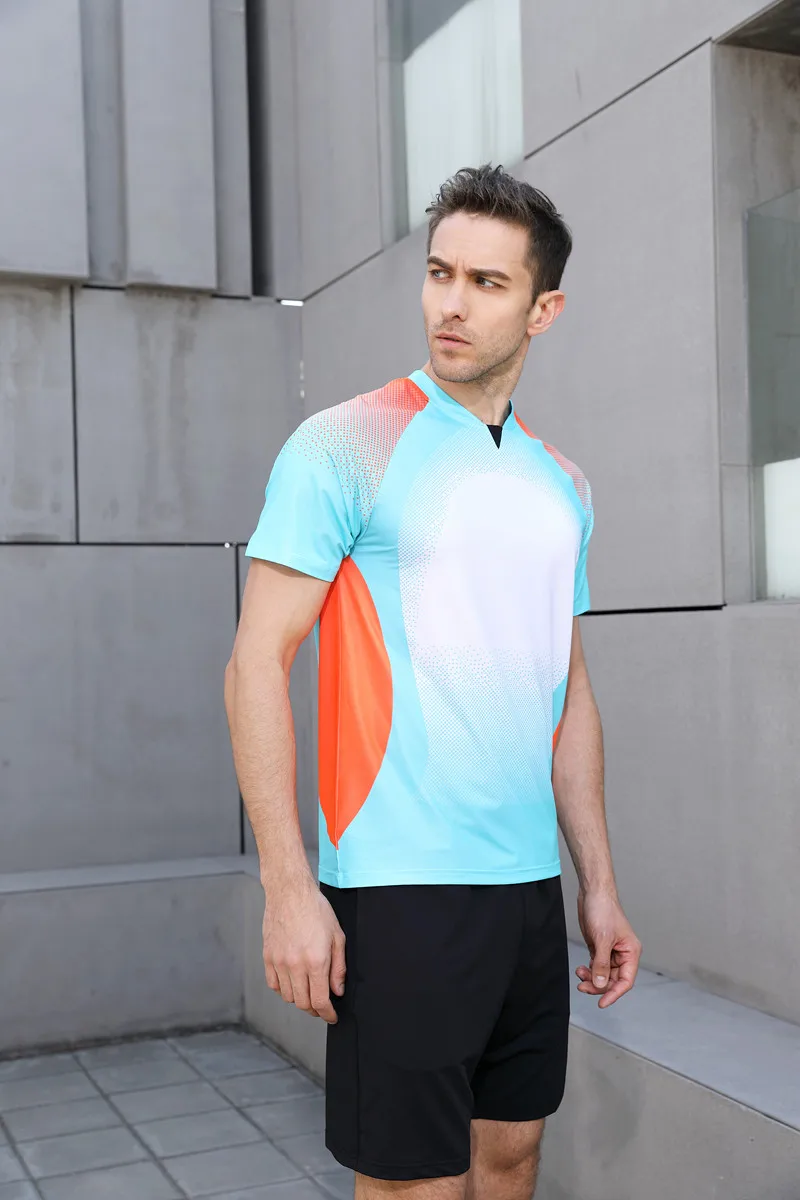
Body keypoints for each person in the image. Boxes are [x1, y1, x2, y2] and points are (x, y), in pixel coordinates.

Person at [225, 163, 642, 1200]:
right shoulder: (343, 446)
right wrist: (288, 888)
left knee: (510, 1156)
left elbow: (569, 696)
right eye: (440, 272)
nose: (451, 303)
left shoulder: (562, 485)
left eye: (487, 283)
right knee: (416, 1183)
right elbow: (254, 664)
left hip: (526, 894)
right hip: (396, 889)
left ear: (543, 310)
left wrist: (595, 885)